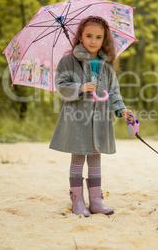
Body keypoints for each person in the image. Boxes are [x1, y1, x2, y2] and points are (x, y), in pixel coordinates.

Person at [50, 16, 132, 217]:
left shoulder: (106, 65)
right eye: (88, 36)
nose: (93, 41)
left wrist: (121, 108)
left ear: (104, 40)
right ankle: (77, 201)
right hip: (78, 119)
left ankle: (96, 200)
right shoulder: (68, 61)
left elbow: (113, 92)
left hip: (100, 120)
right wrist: (80, 87)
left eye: (98, 37)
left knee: (95, 159)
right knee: (78, 158)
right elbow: (60, 85)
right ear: (80, 36)